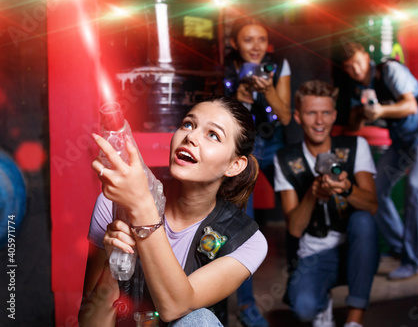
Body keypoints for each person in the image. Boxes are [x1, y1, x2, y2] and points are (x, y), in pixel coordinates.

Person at [78, 96, 268, 327]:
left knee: (200, 321)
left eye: (213, 135)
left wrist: (142, 211)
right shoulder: (113, 204)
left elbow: (175, 307)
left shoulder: (249, 241)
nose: (191, 137)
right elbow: (89, 323)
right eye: (188, 124)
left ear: (234, 165)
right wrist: (115, 262)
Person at [274, 80, 379, 327]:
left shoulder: (355, 146)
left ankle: (355, 319)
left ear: (334, 115)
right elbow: (295, 229)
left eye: (325, 113)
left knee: (363, 220)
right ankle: (322, 300)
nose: (319, 121)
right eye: (311, 113)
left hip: (356, 251)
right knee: (304, 309)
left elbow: (372, 205)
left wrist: (347, 189)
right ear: (299, 117)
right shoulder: (286, 158)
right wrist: (313, 194)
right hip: (315, 252)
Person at [339, 42, 418, 280]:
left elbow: (410, 105)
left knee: (416, 189)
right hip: (401, 142)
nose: (355, 69)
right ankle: (400, 246)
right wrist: (359, 113)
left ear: (366, 56)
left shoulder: (389, 71)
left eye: (357, 62)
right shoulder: (356, 88)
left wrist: (381, 112)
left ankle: (411, 261)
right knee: (375, 190)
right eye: (348, 66)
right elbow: (355, 126)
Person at [223, 16, 291, 327]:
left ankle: (300, 288)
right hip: (241, 149)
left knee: (297, 212)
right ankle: (246, 305)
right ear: (235, 44)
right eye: (248, 40)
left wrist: (268, 91)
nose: (256, 47)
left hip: (274, 142)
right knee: (243, 224)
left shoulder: (277, 66)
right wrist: (238, 99)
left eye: (261, 40)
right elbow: (215, 119)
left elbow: (287, 116)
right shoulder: (225, 69)